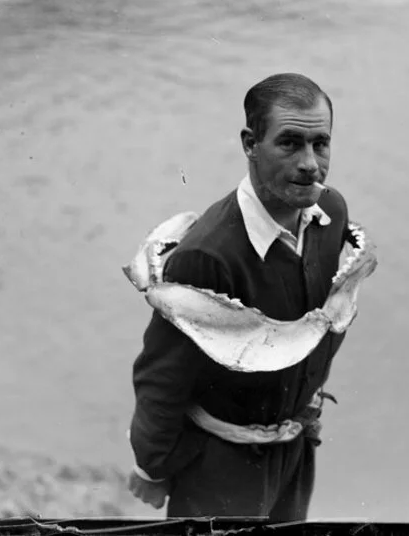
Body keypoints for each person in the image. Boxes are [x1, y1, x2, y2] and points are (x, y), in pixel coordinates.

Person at [127, 72, 353, 521]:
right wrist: (152, 467)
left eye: (320, 144)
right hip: (222, 463)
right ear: (251, 143)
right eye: (289, 143)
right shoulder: (209, 255)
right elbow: (161, 377)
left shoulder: (330, 212)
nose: (310, 163)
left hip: (295, 444)